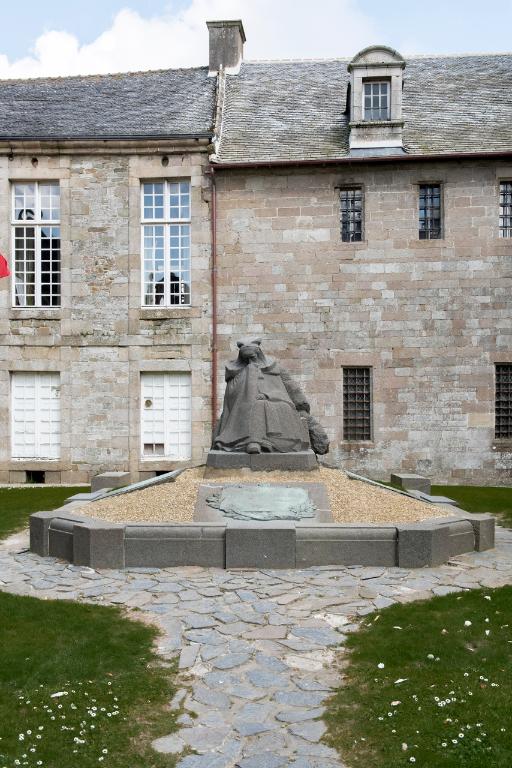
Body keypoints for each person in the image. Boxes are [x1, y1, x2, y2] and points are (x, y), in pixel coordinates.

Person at [213, 337, 318, 454]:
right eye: (246, 358)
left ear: (258, 354)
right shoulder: (236, 371)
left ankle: (272, 442)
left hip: (278, 402)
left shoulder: (274, 367)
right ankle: (254, 442)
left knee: (272, 406)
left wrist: (269, 395)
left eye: (252, 357)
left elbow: (289, 387)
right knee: (257, 406)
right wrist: (249, 375)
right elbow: (231, 395)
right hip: (244, 406)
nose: (250, 361)